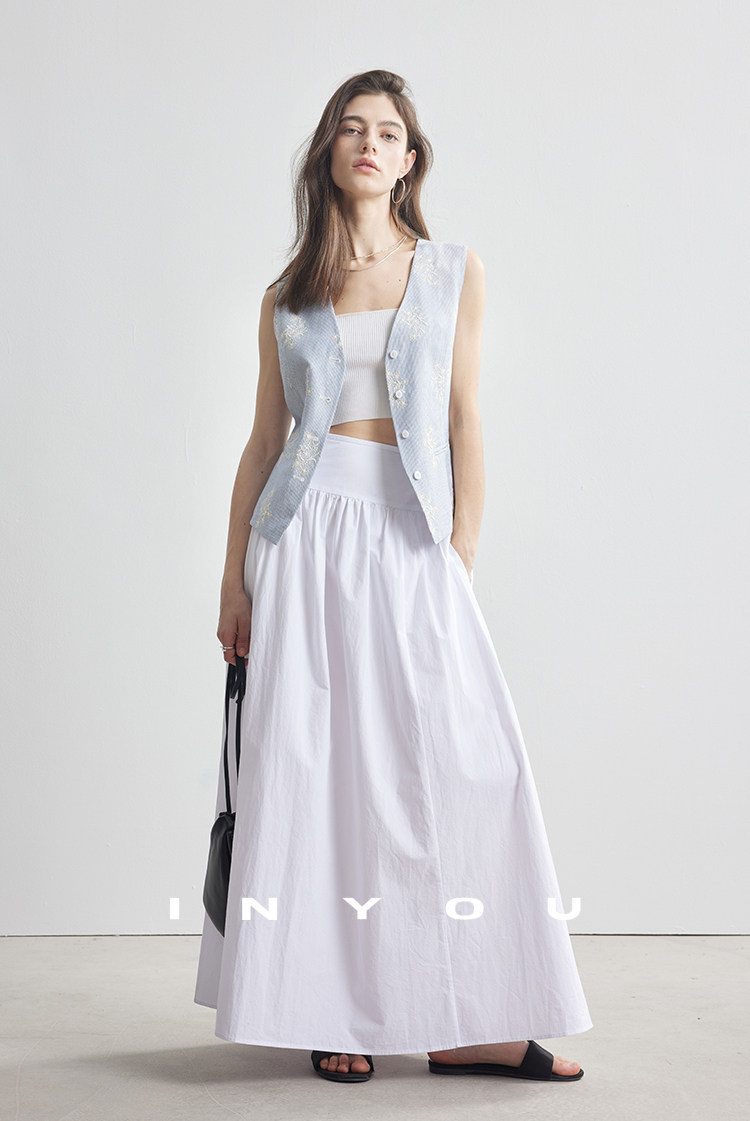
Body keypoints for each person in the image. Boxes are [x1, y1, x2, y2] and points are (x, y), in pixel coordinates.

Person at [194, 68, 593, 1085]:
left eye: (387, 132)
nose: (369, 143)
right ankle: (336, 1006)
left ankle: (467, 1020)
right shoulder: (287, 296)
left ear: (410, 160)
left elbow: (463, 417)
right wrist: (235, 580)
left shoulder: (453, 270)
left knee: (462, 765)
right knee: (319, 772)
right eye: (352, 128)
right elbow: (262, 443)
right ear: (329, 153)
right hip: (302, 536)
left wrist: (460, 550)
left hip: (410, 533)